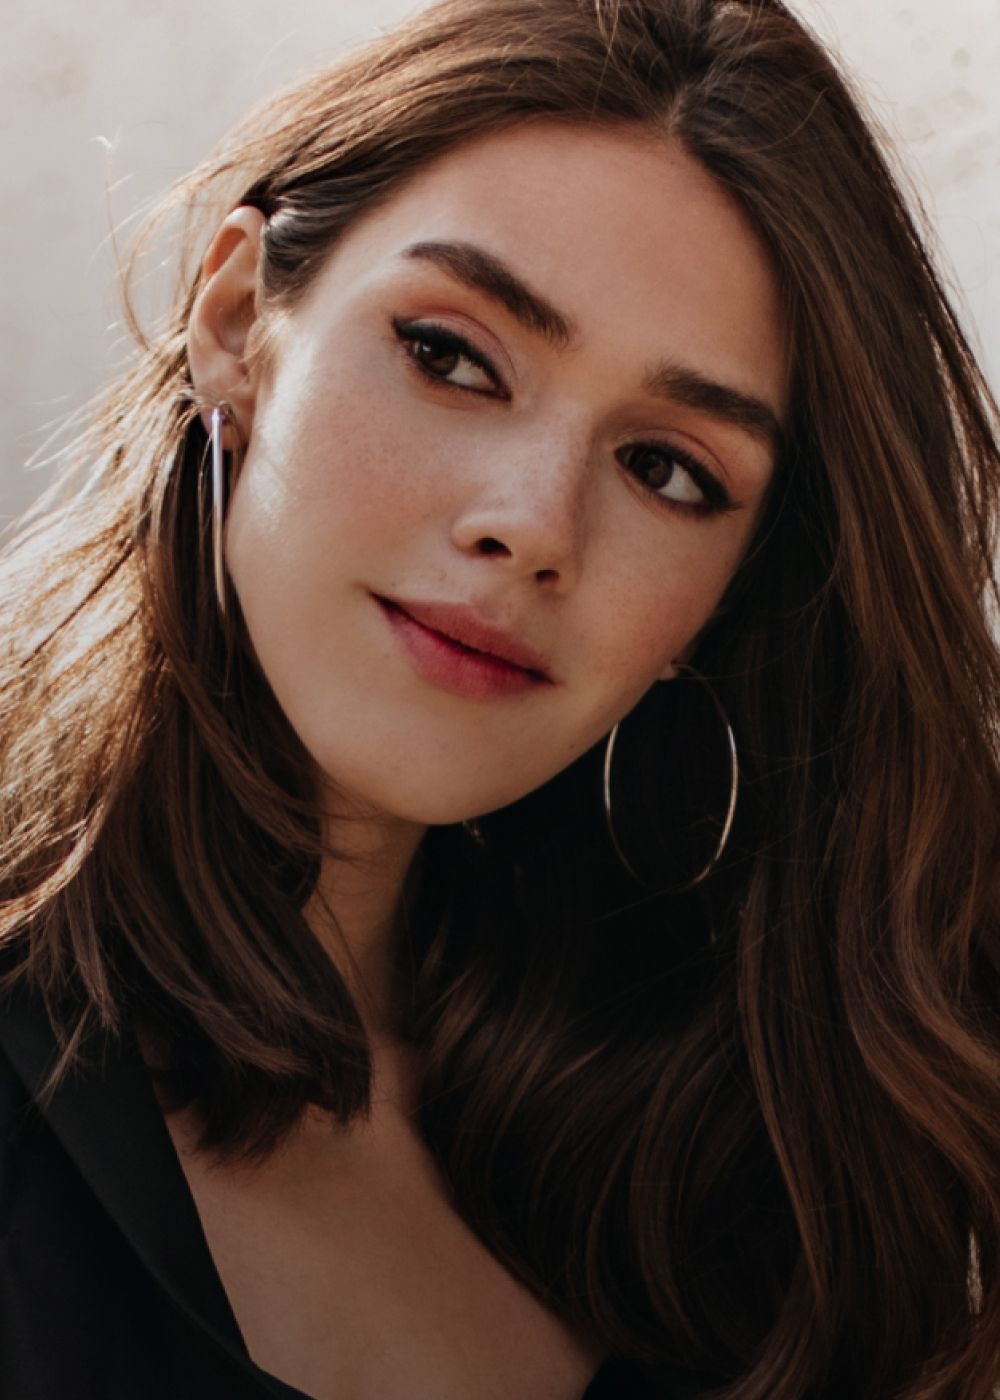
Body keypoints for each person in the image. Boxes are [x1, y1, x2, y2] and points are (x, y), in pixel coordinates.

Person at [1, 0, 998, 1395]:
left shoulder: (755, 1201)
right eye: (452, 356)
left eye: (670, 470)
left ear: (726, 599)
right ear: (237, 320)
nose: (534, 525)